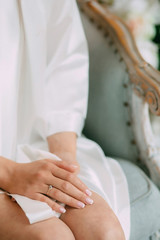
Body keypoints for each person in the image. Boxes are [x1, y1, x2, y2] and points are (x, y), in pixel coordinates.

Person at [0, 0, 130, 239]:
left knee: (105, 233)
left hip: (33, 140)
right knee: (50, 237)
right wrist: (8, 174)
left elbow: (63, 62)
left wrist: (64, 163)